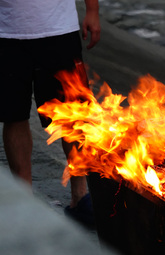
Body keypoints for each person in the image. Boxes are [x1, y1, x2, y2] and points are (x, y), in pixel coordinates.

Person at [0, 0, 100, 224]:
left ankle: (80, 196)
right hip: (6, 32)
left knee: (72, 117)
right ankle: (23, 198)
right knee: (14, 116)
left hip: (59, 30)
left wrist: (92, 10)